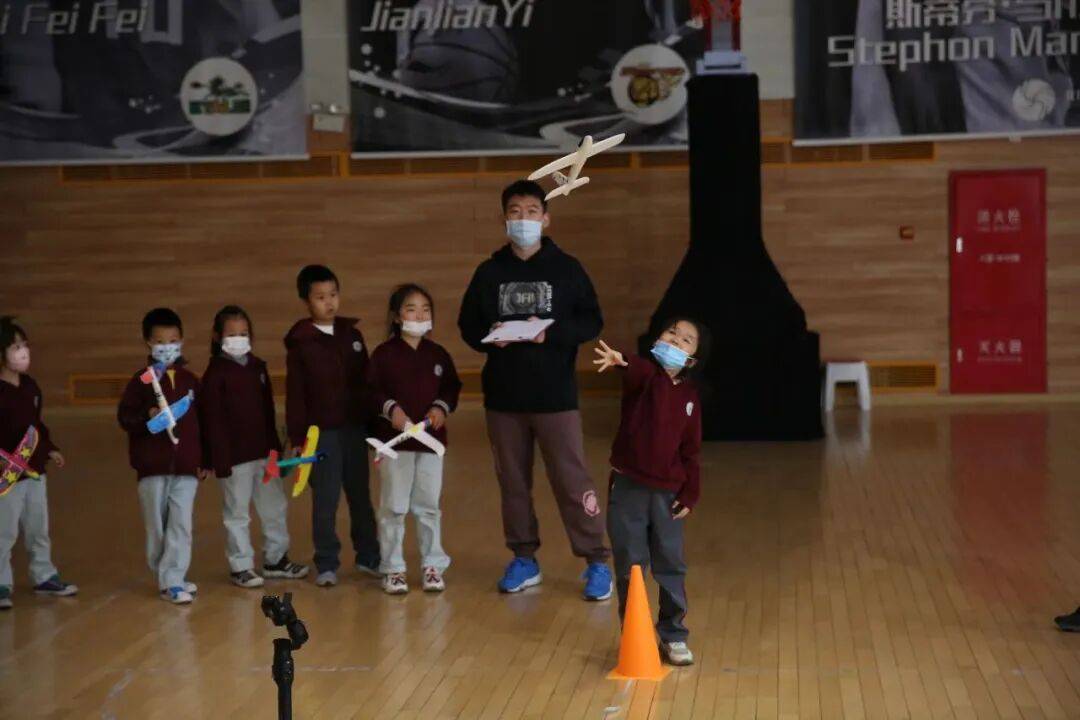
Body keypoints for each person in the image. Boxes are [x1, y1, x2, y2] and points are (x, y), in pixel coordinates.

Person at [458, 179, 612, 600]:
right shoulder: (489, 273)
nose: (522, 219)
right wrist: (489, 335)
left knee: (572, 479)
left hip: (555, 396)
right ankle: (524, 558)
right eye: (514, 212)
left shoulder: (567, 269)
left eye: (530, 212)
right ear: (504, 220)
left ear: (545, 219)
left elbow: (591, 321)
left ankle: (596, 559)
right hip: (504, 399)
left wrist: (551, 333)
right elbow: (468, 325)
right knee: (512, 483)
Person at [593, 317, 710, 666]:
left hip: (667, 496)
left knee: (670, 564)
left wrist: (690, 493)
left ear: (692, 359)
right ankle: (636, 634)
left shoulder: (690, 398)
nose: (675, 340)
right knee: (630, 566)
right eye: (671, 332)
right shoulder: (645, 378)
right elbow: (636, 369)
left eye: (686, 339)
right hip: (628, 489)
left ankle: (674, 634)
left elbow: (691, 452)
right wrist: (620, 360)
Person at [200, 305, 308, 589]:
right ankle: (241, 565)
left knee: (274, 506)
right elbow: (211, 421)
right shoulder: (215, 375)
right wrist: (215, 459)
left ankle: (276, 559)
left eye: (244, 333)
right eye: (232, 334)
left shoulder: (258, 367)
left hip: (264, 453)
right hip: (234, 458)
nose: (239, 339)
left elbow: (267, 412)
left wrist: (275, 449)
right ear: (217, 337)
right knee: (237, 512)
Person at [285, 265, 379, 587]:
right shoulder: (301, 343)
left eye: (333, 294)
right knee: (325, 499)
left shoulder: (352, 336)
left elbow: (367, 384)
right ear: (306, 301)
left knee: (360, 495)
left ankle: (369, 556)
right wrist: (298, 437)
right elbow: (296, 395)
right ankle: (326, 562)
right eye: (320, 297)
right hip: (320, 434)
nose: (329, 302)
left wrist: (374, 428)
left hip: (354, 429)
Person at [368, 284, 462, 594]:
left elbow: (451, 387)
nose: (419, 315)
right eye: (411, 309)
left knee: (429, 506)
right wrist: (391, 409)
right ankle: (393, 568)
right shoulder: (383, 355)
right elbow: (371, 390)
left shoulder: (438, 354)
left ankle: (432, 564)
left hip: (431, 444)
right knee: (394, 507)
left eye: (425, 309)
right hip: (395, 447)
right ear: (397, 316)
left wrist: (441, 407)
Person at [117, 308, 203, 605]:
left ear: (182, 341)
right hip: (152, 468)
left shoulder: (191, 381)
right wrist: (148, 414)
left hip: (186, 467)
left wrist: (203, 460)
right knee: (157, 526)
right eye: (160, 341)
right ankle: (166, 574)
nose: (168, 347)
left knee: (181, 523)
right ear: (148, 343)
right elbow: (125, 418)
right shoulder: (140, 382)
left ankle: (173, 579)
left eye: (173, 340)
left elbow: (202, 423)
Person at [0, 316, 78, 611]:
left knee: (37, 526)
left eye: (24, 345)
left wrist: (49, 449)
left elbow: (36, 426)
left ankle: (44, 575)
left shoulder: (30, 387)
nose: (22, 352)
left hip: (34, 472)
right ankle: (1, 583)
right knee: (5, 530)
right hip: (8, 474)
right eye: (15, 347)